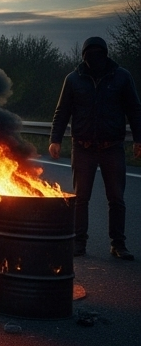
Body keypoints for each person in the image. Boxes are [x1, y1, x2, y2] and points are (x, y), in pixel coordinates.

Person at [48, 36, 141, 260]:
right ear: (83, 55)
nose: (94, 57)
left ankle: (118, 244)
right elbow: (62, 111)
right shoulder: (73, 79)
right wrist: (55, 139)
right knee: (81, 198)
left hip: (112, 146)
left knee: (116, 198)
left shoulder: (122, 77)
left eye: (98, 52)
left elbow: (134, 110)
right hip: (82, 146)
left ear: (106, 53)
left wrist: (139, 139)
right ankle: (79, 243)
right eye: (90, 53)